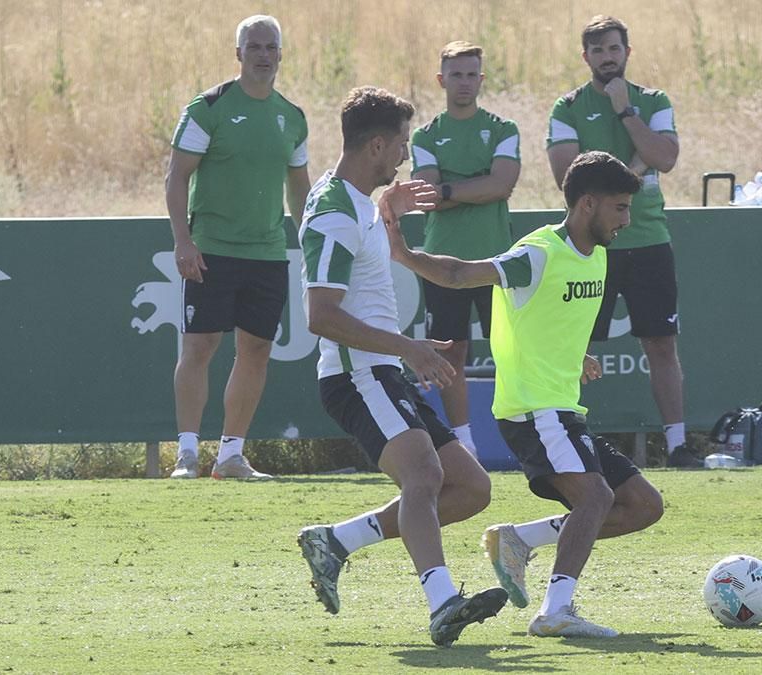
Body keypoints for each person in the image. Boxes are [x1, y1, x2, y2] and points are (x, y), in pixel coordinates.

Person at [385, 151, 665, 638]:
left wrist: (575, 358)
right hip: (534, 410)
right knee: (595, 495)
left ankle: (518, 539)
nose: (627, 219)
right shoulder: (537, 253)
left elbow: (549, 320)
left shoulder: (596, 255)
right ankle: (556, 610)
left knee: (643, 505)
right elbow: (459, 274)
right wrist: (405, 255)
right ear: (587, 205)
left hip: (562, 411)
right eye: (619, 208)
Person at [295, 86, 507, 647]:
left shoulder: (361, 201)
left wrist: (388, 213)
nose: (405, 158)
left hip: (380, 371)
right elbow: (320, 316)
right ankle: (442, 602)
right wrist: (408, 348)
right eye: (402, 146)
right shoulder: (333, 212)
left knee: (470, 487)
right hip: (356, 375)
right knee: (425, 478)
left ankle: (337, 541)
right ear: (377, 145)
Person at [545, 16, 699, 468]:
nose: (606, 57)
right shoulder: (568, 107)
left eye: (613, 49)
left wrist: (625, 112)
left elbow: (665, 158)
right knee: (573, 346)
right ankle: (562, 441)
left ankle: (677, 445)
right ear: (585, 57)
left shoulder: (652, 101)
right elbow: (567, 178)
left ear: (627, 52)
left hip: (648, 237)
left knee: (661, 344)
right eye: (597, 51)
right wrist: (631, 172)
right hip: (590, 245)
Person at [164, 15, 310, 480]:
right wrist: (183, 241)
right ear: (239, 54)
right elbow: (177, 176)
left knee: (257, 350)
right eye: (255, 47)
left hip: (267, 252)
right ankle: (187, 453)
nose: (263, 54)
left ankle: (231, 455)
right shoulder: (209, 107)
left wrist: (311, 241)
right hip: (212, 248)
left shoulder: (293, 116)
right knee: (201, 345)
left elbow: (299, 189)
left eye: (271, 47)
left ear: (281, 54)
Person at [410, 41, 521, 457]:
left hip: (495, 261)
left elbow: (502, 184)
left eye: (471, 74)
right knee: (450, 354)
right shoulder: (426, 135)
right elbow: (428, 197)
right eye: (455, 74)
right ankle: (463, 441)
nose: (464, 82)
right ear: (441, 80)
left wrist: (450, 187)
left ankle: (521, 431)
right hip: (442, 261)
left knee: (510, 350)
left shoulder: (503, 128)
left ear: (482, 78)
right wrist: (477, 184)